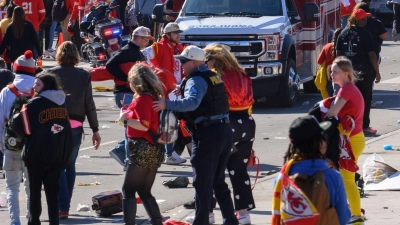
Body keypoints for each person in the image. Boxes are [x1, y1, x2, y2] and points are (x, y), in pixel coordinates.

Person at [153, 45, 238, 225]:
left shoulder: (196, 79)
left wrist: (166, 104)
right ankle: (230, 220)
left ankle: (201, 221)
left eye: (183, 61)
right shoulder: (212, 75)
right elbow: (208, 98)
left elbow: (192, 103)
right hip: (223, 131)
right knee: (218, 182)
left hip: (208, 134)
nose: (181, 65)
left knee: (202, 183)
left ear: (193, 62)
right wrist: (182, 90)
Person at [46, 41, 101, 219]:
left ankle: (61, 205)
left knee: (57, 166)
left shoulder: (49, 74)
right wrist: (95, 129)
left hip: (54, 124)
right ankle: (65, 205)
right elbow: (89, 104)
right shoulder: (83, 76)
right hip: (76, 125)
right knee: (69, 165)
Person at [203, 43, 256, 224]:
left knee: (210, 171)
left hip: (226, 125)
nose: (204, 63)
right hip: (247, 124)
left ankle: (207, 213)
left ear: (215, 59)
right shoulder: (242, 73)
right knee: (239, 171)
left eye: (206, 59)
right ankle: (243, 214)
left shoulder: (216, 76)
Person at [12, 72, 73, 225]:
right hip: (56, 154)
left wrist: (28, 135)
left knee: (35, 192)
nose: (34, 86)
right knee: (53, 193)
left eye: (38, 84)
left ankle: (34, 221)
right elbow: (65, 128)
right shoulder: (62, 103)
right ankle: (54, 222)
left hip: (36, 155)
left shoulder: (35, 103)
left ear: (47, 86)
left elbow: (19, 124)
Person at [271, 115, 351, 225]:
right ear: (319, 143)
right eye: (323, 138)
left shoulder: (280, 179)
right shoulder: (333, 176)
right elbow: (343, 218)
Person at [118, 63, 165, 225]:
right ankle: (156, 221)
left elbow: (143, 125)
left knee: (128, 190)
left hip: (141, 147)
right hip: (154, 147)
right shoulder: (154, 96)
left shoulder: (143, 99)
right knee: (144, 191)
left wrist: (125, 119)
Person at [106, 26, 154, 169]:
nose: (147, 43)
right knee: (130, 128)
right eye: (146, 39)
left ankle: (121, 151)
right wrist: (127, 78)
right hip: (124, 93)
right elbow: (110, 64)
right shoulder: (128, 51)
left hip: (128, 92)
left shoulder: (136, 51)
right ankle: (128, 160)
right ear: (138, 38)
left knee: (132, 126)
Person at [325, 56, 365, 225]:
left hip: (352, 140)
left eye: (335, 72)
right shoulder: (348, 88)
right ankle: (353, 212)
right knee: (345, 178)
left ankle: (356, 215)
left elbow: (333, 112)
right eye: (331, 71)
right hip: (354, 139)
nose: (331, 75)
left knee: (347, 179)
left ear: (346, 73)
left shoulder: (346, 89)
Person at [0, 50, 36, 225]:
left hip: (11, 144)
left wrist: (2, 143)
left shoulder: (7, 92)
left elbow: (0, 120)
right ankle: (31, 219)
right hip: (33, 146)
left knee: (12, 187)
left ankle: (15, 221)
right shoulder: (38, 90)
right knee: (31, 188)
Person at [142, 22, 185, 164]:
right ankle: (169, 154)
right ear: (167, 35)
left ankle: (169, 153)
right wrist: (157, 75)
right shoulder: (157, 47)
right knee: (162, 123)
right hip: (162, 92)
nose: (179, 35)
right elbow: (142, 59)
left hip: (174, 91)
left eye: (179, 32)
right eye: (175, 33)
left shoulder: (179, 48)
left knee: (168, 122)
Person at [336, 9, 380, 135]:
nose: (366, 20)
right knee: (364, 99)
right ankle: (364, 126)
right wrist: (377, 72)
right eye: (365, 18)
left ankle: (348, 125)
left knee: (348, 101)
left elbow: (338, 54)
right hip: (364, 72)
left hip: (347, 74)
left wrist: (337, 72)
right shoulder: (365, 34)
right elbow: (371, 54)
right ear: (360, 20)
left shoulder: (343, 33)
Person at [317, 28, 342, 97]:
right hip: (342, 75)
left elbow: (319, 61)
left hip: (329, 75)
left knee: (330, 98)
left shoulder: (327, 46)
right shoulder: (344, 46)